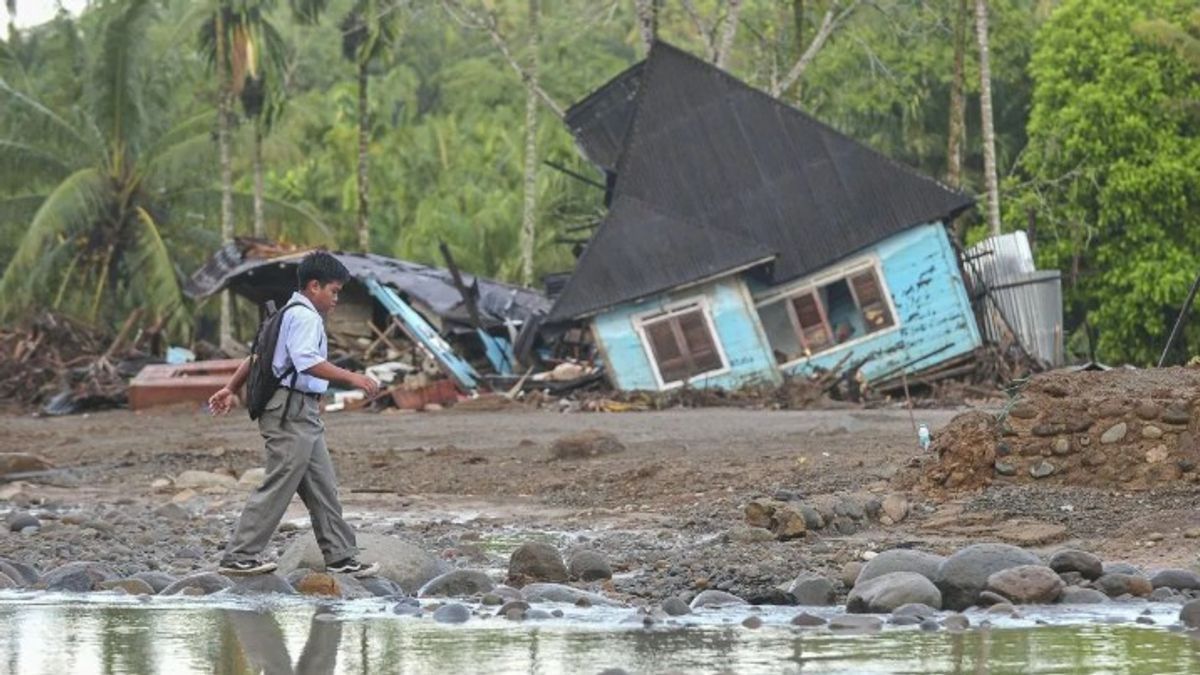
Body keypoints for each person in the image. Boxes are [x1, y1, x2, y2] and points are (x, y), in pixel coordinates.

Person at [208, 251, 381, 577]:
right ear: (313, 286)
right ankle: (239, 556)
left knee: (322, 486)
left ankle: (341, 557)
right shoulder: (304, 317)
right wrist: (352, 377)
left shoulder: (287, 313)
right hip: (289, 412)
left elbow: (257, 356)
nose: (336, 299)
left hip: (300, 412)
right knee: (280, 482)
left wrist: (231, 388)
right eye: (333, 291)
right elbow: (305, 360)